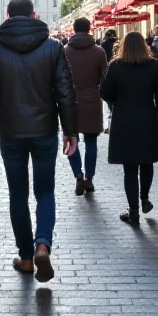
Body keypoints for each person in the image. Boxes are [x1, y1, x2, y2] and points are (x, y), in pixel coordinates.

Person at [0, 0, 78, 283]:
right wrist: (71, 130)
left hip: (11, 131)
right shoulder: (53, 47)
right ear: (35, 15)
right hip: (45, 129)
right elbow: (65, 92)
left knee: (18, 194)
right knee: (45, 191)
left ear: (7, 16)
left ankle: (26, 257)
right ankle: (42, 244)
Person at [100, 31, 158, 227]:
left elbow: (105, 93)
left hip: (123, 119)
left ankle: (133, 211)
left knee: (129, 168)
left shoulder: (116, 66)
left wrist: (116, 102)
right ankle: (145, 199)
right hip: (147, 118)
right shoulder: (153, 66)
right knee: (146, 162)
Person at [64, 17, 108, 196]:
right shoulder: (99, 52)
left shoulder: (64, 50)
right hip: (92, 99)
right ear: (90, 29)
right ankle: (89, 178)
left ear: (74, 29)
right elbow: (104, 78)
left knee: (71, 140)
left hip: (70, 101)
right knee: (91, 142)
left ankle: (78, 175)